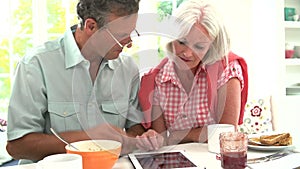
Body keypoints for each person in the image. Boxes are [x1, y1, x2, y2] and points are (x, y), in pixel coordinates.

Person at [6, 0, 162, 164]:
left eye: (131, 33)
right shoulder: (36, 65)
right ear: (91, 26)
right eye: (120, 36)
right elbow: (17, 146)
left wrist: (143, 138)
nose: (129, 44)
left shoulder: (127, 68)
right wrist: (90, 138)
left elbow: (135, 128)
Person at [137, 0, 248, 146]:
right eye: (182, 42)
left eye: (199, 46)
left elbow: (227, 133)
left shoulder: (227, 70)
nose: (187, 53)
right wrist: (152, 138)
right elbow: (163, 140)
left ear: (212, 46)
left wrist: (179, 135)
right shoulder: (157, 78)